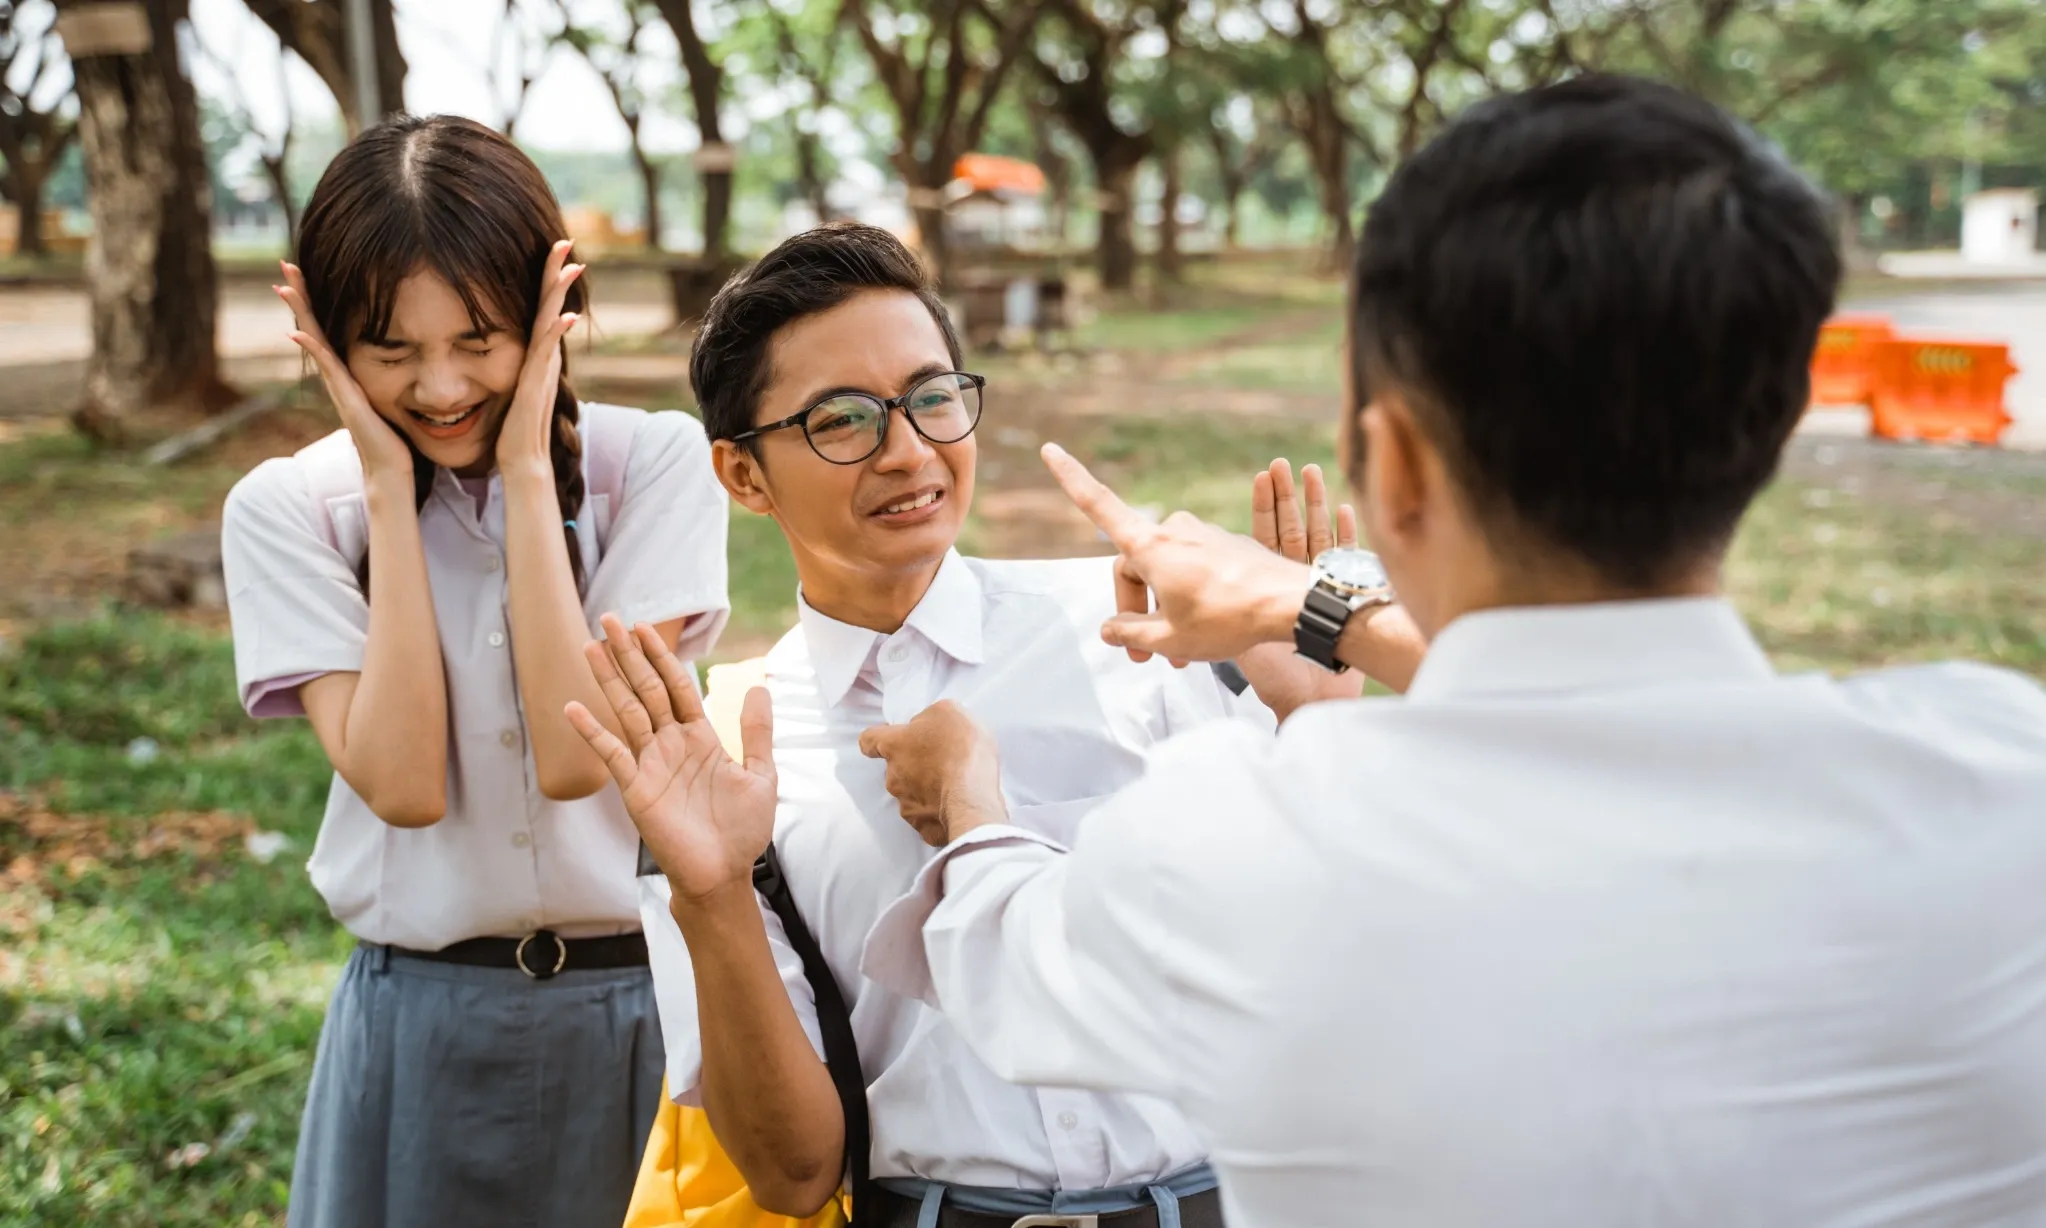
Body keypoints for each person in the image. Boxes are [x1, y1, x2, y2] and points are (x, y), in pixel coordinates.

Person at [841, 76, 2046, 1226]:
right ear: (1774, 420)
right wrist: (1321, 611)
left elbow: (999, 950)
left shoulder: (1232, 848)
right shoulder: (2000, 783)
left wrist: (969, 797)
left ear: (1399, 461)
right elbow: (1605, 707)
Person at [564, 222, 1420, 1228]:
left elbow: (1327, 966)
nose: (909, 451)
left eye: (931, 397)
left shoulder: (1139, 633)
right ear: (744, 475)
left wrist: (1310, 716)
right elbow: (793, 1174)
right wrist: (711, 891)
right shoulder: (728, 756)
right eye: (843, 420)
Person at [220, 115, 729, 1228]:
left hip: (637, 1011)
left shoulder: (653, 467)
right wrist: (391, 496)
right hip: (417, 1019)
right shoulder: (292, 509)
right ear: (324, 336)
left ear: (558, 308)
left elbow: (572, 754)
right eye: (390, 349)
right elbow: (401, 783)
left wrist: (522, 470)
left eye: (481, 338)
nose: (440, 385)